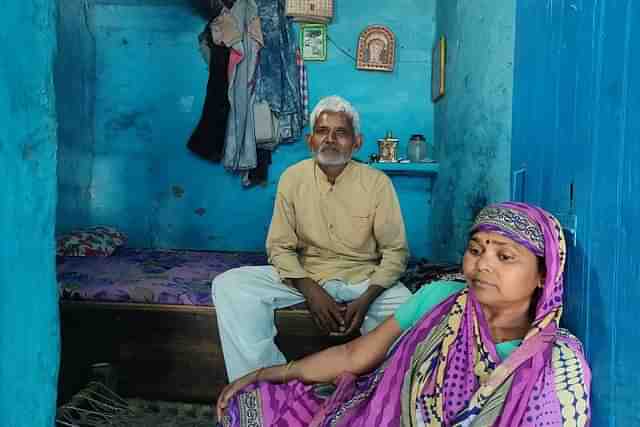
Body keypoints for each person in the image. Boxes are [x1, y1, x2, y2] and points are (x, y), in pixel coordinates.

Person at [216, 202, 592, 427]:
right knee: (248, 406)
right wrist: (267, 372)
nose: (482, 266)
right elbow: (355, 356)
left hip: (360, 279)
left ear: (545, 274)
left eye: (505, 257)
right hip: (379, 416)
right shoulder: (442, 297)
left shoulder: (554, 362)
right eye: (476, 250)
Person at [213, 95, 412, 382]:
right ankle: (261, 382)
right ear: (310, 141)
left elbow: (396, 252)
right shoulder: (292, 178)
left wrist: (368, 298)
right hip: (307, 275)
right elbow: (279, 247)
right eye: (322, 132)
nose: (330, 139)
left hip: (362, 280)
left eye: (341, 133)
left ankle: (380, 391)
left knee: (412, 310)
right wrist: (310, 290)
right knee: (231, 285)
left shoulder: (377, 183)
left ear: (357, 142)